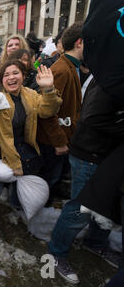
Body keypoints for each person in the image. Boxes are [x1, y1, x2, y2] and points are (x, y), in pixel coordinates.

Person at [0, 60, 62, 245]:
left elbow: (47, 111)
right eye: (6, 75)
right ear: (2, 81)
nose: (11, 77)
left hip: (21, 147)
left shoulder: (30, 94)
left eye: (15, 73)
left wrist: (48, 90)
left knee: (18, 182)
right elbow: (4, 137)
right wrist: (17, 166)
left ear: (23, 76)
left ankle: (16, 206)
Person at [47, 78, 123, 284]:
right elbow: (92, 117)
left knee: (107, 205)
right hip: (90, 155)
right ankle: (55, 253)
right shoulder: (110, 77)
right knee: (81, 209)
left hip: (110, 156)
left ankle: (95, 243)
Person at [37, 22, 84, 200]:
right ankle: (38, 212)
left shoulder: (71, 66)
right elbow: (48, 112)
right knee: (49, 178)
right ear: (79, 42)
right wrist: (59, 142)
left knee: (54, 177)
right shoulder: (62, 70)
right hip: (54, 141)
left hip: (63, 137)